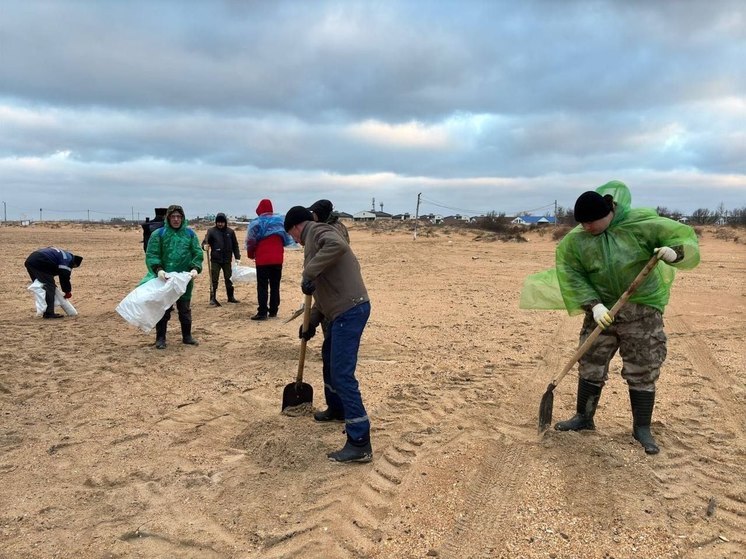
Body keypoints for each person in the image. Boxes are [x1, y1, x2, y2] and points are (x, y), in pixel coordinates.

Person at [552, 181, 699, 454]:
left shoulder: (641, 224)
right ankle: (584, 418)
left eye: (592, 222)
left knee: (643, 367)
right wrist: (594, 306)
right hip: (602, 315)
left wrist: (674, 252)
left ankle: (641, 427)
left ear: (609, 212)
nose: (587, 227)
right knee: (591, 363)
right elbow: (572, 274)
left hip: (641, 312)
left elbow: (685, 240)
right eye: (582, 223)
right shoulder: (577, 241)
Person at [284, 205, 372, 463]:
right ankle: (337, 409)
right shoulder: (312, 240)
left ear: (295, 227)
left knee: (343, 375)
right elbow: (322, 294)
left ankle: (359, 442)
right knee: (330, 363)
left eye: (291, 235)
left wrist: (308, 272)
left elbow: (338, 246)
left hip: (349, 311)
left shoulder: (318, 231)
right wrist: (310, 322)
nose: (294, 240)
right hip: (340, 311)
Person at [308, 199, 351, 423]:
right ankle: (334, 406)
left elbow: (334, 255)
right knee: (330, 357)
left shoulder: (331, 231)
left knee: (336, 362)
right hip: (328, 296)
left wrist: (310, 273)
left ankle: (341, 409)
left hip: (337, 300)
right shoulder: (333, 228)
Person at [144, 204, 203, 349]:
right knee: (163, 308)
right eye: (173, 216)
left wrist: (195, 268)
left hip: (184, 279)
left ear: (183, 218)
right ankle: (161, 338)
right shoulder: (159, 234)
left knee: (184, 308)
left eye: (179, 216)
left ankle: (187, 336)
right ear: (168, 218)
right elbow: (152, 254)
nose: (176, 219)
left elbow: (197, 253)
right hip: (165, 278)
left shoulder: (189, 234)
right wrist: (158, 269)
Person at [245, 199, 294, 320]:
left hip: (263, 259)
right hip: (277, 259)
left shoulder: (257, 223)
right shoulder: (279, 222)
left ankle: (262, 312)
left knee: (262, 286)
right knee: (275, 285)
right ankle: (273, 311)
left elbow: (251, 241)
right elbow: (286, 240)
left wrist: (251, 254)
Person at [24, 247, 83, 319]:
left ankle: (45, 310)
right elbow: (64, 277)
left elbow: (52, 269)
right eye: (73, 267)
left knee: (43, 285)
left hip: (32, 260)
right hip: (40, 261)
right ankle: (49, 313)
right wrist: (67, 291)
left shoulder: (65, 255)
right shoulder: (67, 261)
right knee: (49, 287)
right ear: (74, 264)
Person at [202, 212, 241, 306]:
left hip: (227, 259)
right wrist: (205, 246)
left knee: (229, 279)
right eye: (218, 222)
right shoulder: (211, 231)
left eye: (222, 222)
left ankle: (230, 297)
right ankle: (212, 298)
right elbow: (204, 243)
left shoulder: (230, 232)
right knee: (214, 279)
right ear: (216, 222)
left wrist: (237, 257)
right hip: (215, 259)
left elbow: (235, 245)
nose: (220, 224)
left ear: (225, 222)